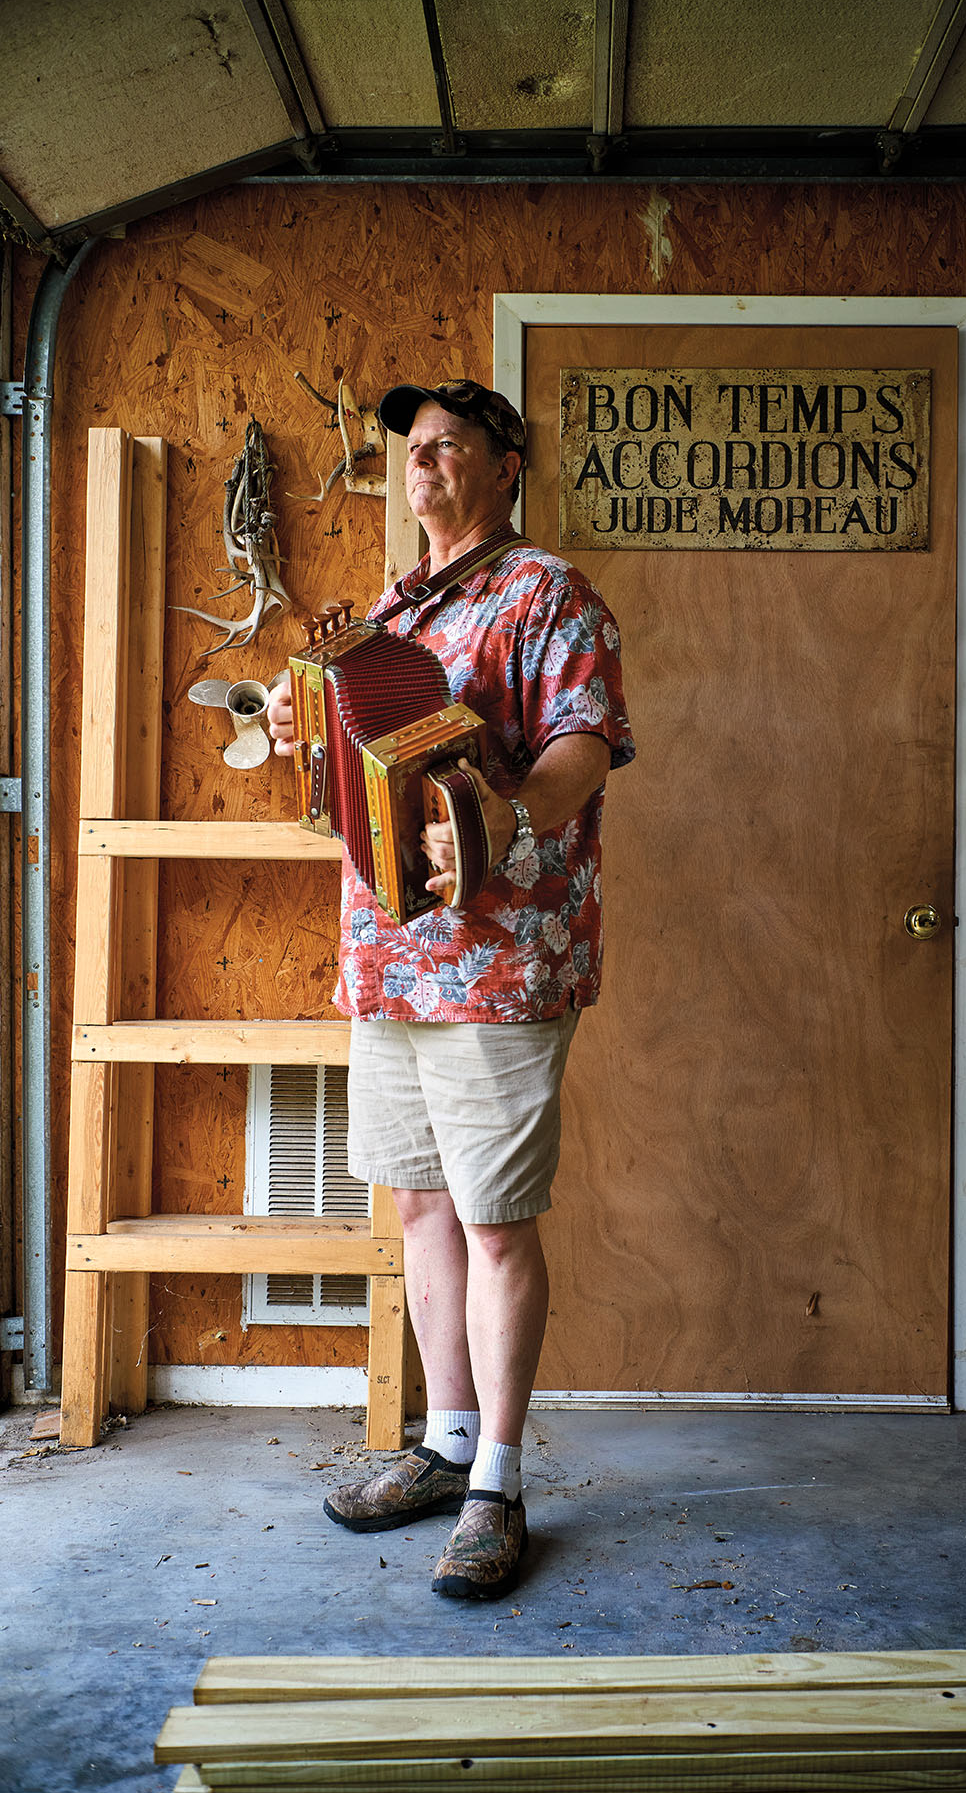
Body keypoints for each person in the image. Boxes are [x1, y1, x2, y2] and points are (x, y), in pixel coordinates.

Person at [266, 378, 633, 1600]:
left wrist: (508, 824)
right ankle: (445, 1443)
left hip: (500, 956)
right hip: (390, 958)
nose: (421, 468)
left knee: (492, 1221)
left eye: (446, 447)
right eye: (411, 452)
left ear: (506, 461)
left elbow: (582, 742)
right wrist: (294, 717)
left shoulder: (548, 594)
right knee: (419, 1210)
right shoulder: (387, 610)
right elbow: (355, 753)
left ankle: (500, 1486)